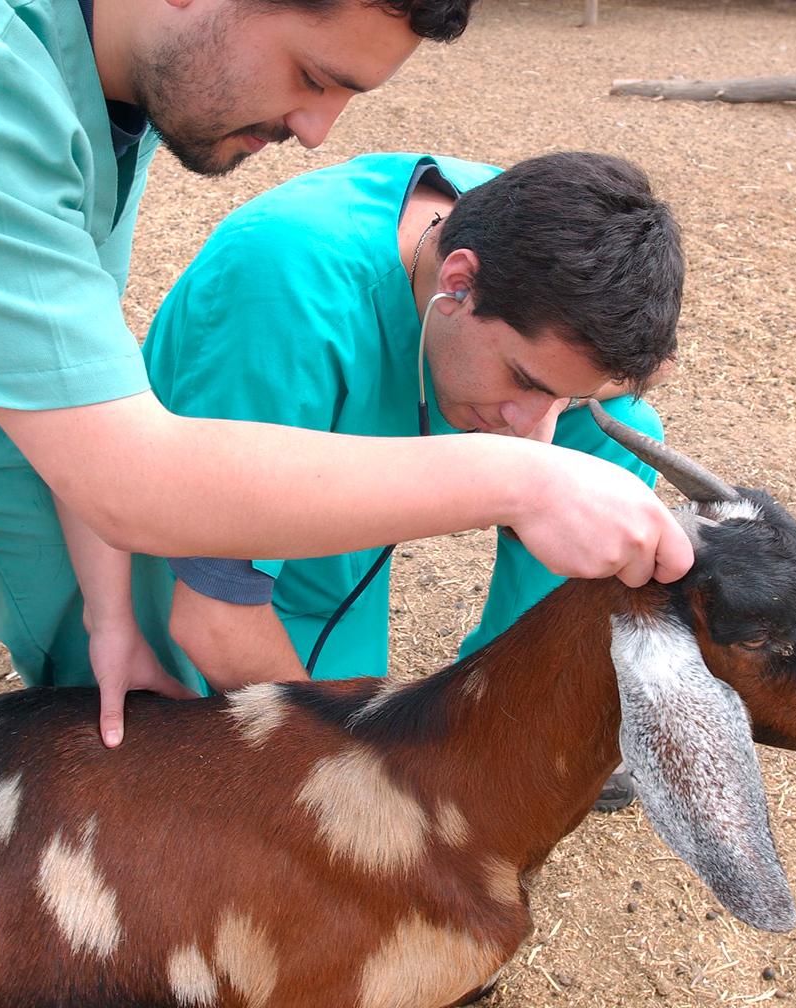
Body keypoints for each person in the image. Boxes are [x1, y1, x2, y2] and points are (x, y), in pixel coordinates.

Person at [0, 0, 692, 854]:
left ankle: (499, 713)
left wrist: (109, 617)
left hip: (15, 395)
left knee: (606, 450)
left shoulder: (132, 94)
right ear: (457, 278)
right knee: (189, 720)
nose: (317, 132)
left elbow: (65, 361)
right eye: (311, 75)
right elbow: (141, 499)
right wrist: (523, 479)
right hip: (161, 478)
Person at [124, 149, 683, 811]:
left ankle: (506, 715)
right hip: (193, 528)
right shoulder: (287, 292)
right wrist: (360, 776)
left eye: (556, 397)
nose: (531, 430)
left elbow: (647, 371)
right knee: (184, 755)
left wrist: (554, 406)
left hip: (355, 485)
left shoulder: (533, 233)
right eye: (524, 382)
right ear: (459, 281)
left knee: (623, 429)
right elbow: (212, 616)